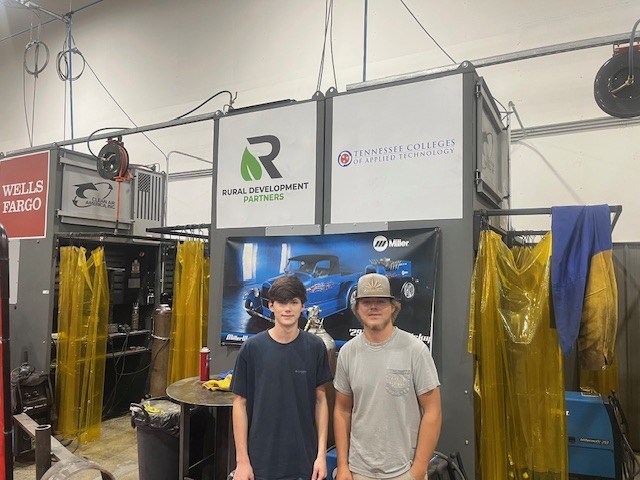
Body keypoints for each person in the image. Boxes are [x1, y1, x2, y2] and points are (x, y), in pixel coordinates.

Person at [333, 273, 442, 480]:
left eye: (381, 301)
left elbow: (433, 411)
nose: (373, 307)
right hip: (358, 472)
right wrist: (343, 466)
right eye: (366, 302)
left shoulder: (415, 350)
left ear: (393, 307)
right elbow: (342, 410)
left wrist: (418, 471)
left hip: (404, 471)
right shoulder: (347, 353)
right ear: (357, 308)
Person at [231, 275, 333, 480]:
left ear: (303, 306)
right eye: (282, 302)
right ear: (271, 306)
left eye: (294, 302)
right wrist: (242, 461)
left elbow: (321, 400)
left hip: (303, 461)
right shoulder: (252, 349)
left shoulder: (315, 348)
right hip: (261, 461)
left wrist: (321, 455)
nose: (287, 309)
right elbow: (240, 404)